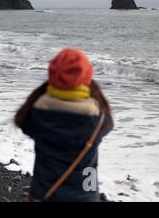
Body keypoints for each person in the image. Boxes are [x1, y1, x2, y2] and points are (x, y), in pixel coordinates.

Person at [15, 48, 114, 202]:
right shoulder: (99, 121)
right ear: (87, 78)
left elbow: (22, 122)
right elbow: (110, 122)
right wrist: (95, 91)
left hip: (44, 193)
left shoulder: (36, 115)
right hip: (86, 195)